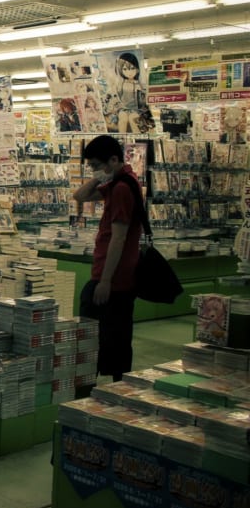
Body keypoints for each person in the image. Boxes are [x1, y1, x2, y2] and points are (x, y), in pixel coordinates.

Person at [72, 134, 143, 385]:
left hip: (114, 278)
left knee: (102, 335)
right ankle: (112, 383)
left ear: (113, 160)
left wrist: (105, 281)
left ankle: (99, 383)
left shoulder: (122, 188)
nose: (94, 170)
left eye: (96, 165)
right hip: (113, 275)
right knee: (114, 334)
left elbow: (119, 238)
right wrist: (99, 175)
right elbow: (80, 196)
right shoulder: (119, 182)